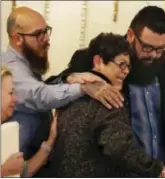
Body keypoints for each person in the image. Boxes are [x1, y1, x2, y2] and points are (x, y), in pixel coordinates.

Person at [46, 6, 165, 177]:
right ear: (131, 35)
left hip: (163, 170)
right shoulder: (101, 55)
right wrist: (75, 80)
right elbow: (50, 87)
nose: (154, 55)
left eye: (161, 48)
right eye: (147, 48)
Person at [1, 6, 124, 170]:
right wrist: (83, 88)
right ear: (17, 39)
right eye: (39, 34)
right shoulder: (11, 68)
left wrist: (69, 78)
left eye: (47, 31)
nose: (46, 39)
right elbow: (40, 95)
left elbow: (44, 86)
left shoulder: (27, 64)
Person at [1, 67, 57, 177]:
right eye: (10, 93)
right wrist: (3, 171)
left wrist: (51, 140)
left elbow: (21, 173)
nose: (15, 99)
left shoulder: (6, 130)